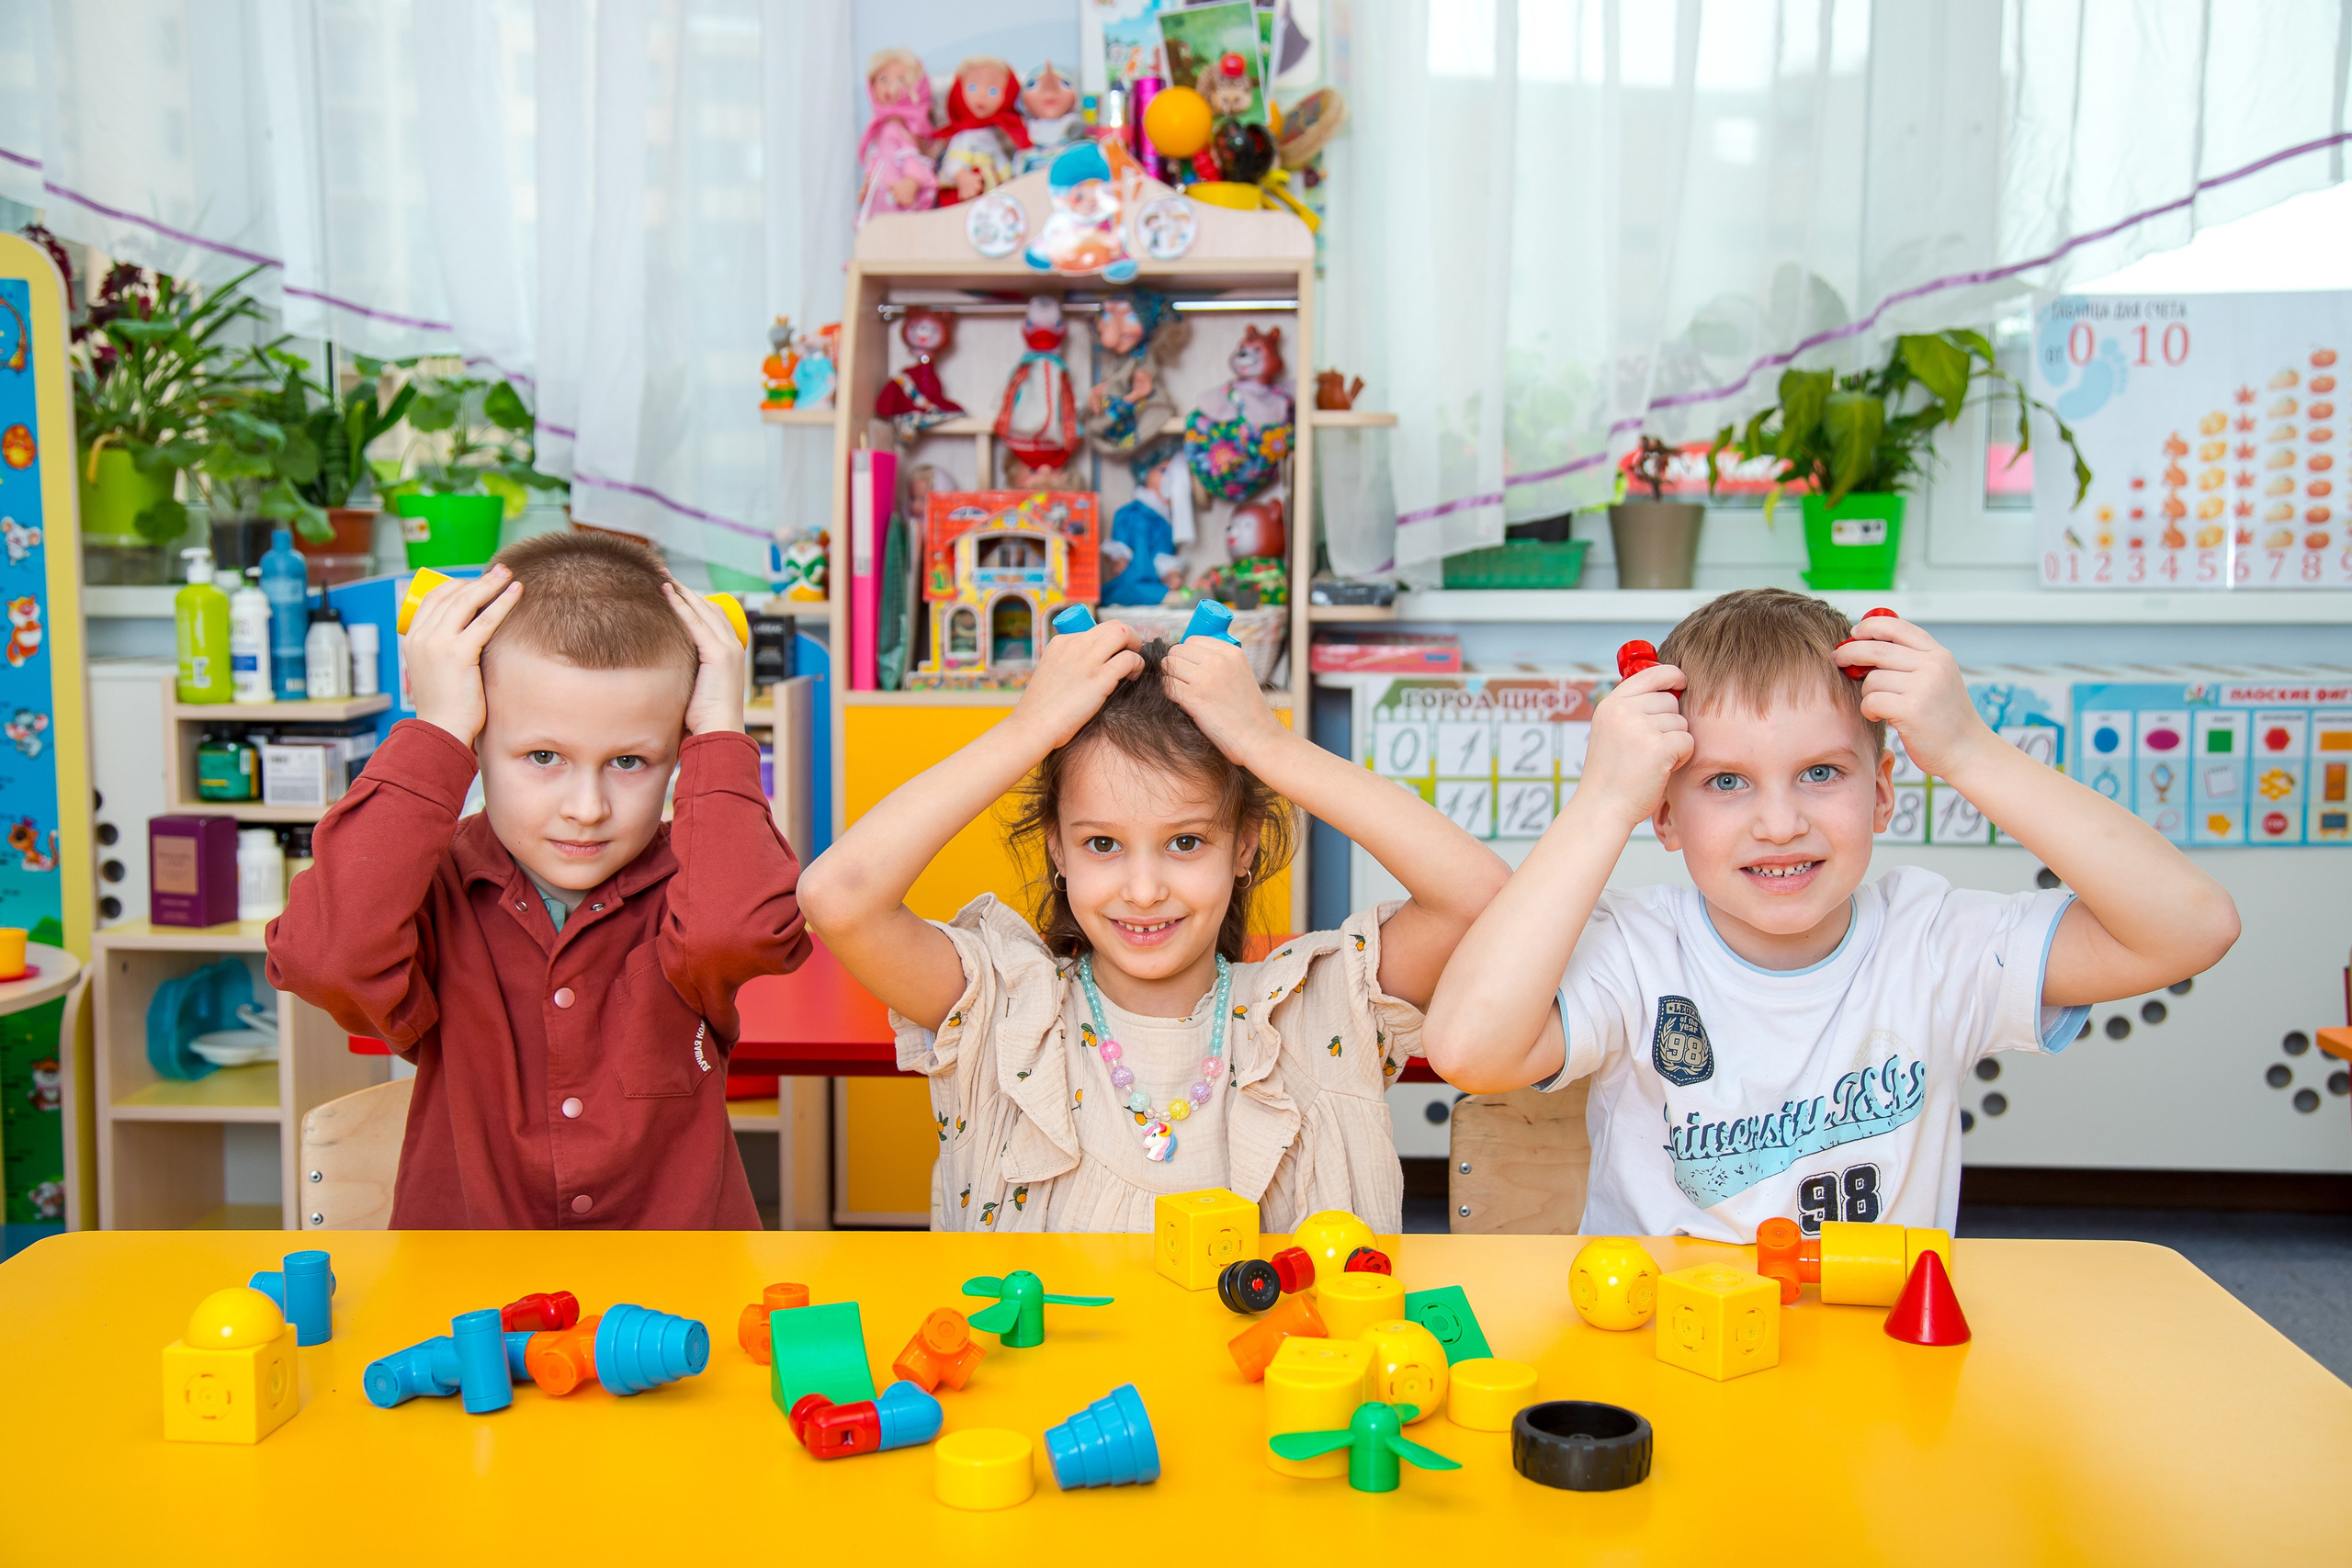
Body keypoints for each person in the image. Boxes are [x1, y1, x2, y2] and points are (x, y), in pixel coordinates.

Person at [1422, 588, 2240, 1240]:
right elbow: (1468, 1050)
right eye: (1726, 781)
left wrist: (1967, 750)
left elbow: (2193, 927)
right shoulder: (1637, 948)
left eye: (1820, 772)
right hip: (1664, 1358)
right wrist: (1600, 806)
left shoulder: (1934, 940)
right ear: (1662, 816)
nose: (1781, 823)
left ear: (1881, 793)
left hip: (1876, 1366)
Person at [797, 622, 1511, 1232]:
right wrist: (1027, 728)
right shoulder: (1008, 1016)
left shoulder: (1310, 1014)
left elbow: (1478, 898)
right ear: (1058, 848)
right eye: (1102, 844)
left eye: (1186, 841)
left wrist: (1269, 744)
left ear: (1244, 846)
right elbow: (838, 896)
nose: (1143, 890)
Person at [266, 532, 810, 1228]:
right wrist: (434, 728)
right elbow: (325, 957)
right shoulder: (429, 889)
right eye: (543, 754)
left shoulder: (694, 887)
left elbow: (738, 930)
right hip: (474, 1308)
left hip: (678, 1305)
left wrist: (721, 732)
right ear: (475, 738)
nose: (587, 808)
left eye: (631, 762)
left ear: (679, 751)